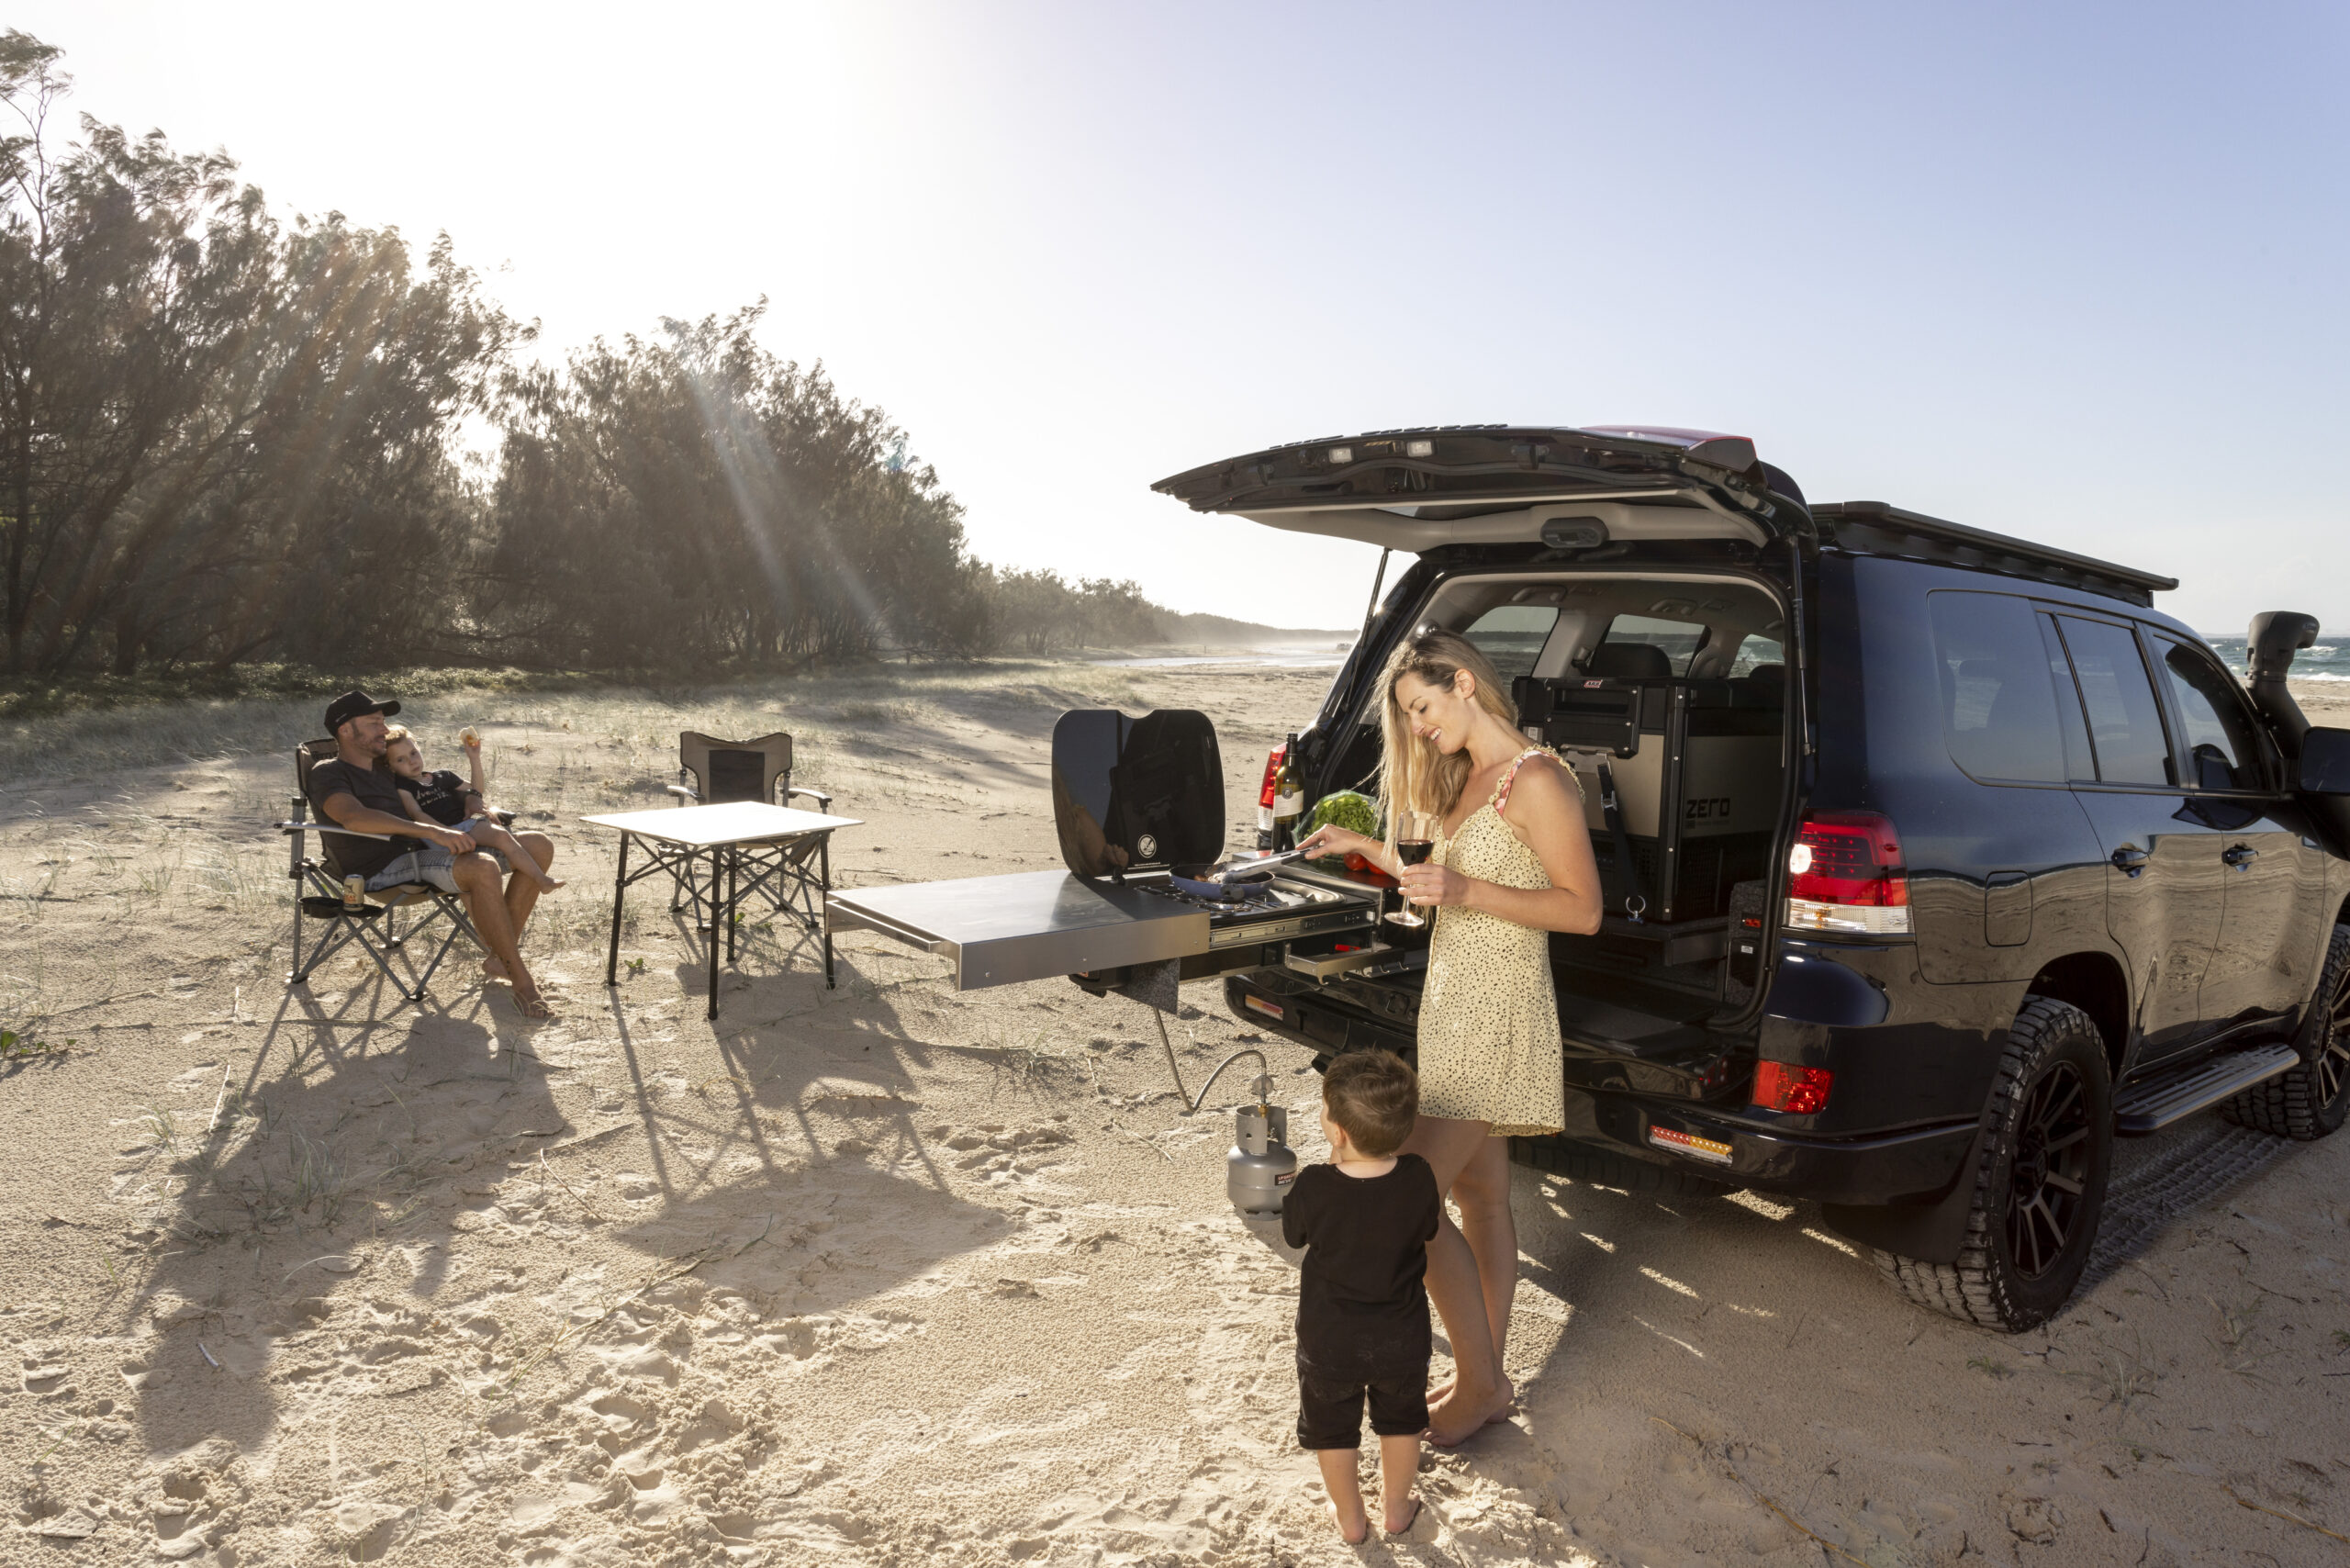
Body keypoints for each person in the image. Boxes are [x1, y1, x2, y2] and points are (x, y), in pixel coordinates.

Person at [1297, 630, 1603, 1445]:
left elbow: (1582, 910)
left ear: (1464, 683)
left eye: (1423, 707)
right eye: (1408, 715)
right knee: (1482, 1202)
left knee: (1407, 1206)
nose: (1419, 726)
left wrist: (1465, 889)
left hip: (1498, 1011)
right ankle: (1487, 1379)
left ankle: (1480, 1383)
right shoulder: (1469, 779)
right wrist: (1365, 848)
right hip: (1451, 1005)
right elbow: (1435, 877)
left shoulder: (1539, 780)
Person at [306, 689, 560, 1019]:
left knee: (538, 844)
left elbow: (434, 789)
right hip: (381, 869)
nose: (384, 729)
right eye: (374, 723)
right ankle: (522, 982)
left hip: (426, 852)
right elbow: (353, 817)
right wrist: (432, 832)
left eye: (383, 722)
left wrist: (474, 800)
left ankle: (500, 958)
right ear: (345, 730)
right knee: (482, 867)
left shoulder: (386, 768)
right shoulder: (328, 772)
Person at [1281, 1049, 1440, 1543]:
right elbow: (1428, 1227)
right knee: (1401, 1422)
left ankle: (1350, 1518)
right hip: (1402, 1337)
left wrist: (1325, 1173)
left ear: (1338, 1132)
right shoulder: (1418, 1175)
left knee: (1332, 1429)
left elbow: (1293, 1235)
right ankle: (1396, 1509)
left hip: (1330, 1339)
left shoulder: (1314, 1185)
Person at [383, 725, 564, 892]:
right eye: (401, 759)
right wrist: (445, 833)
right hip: (439, 836)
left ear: (419, 748)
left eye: (413, 753)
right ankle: (540, 880)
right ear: (390, 767)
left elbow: (477, 791)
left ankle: (540, 881)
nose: (411, 761)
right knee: (499, 840)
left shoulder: (443, 776)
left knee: (500, 838)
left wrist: (474, 758)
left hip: (464, 828)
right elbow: (416, 814)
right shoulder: (403, 786)